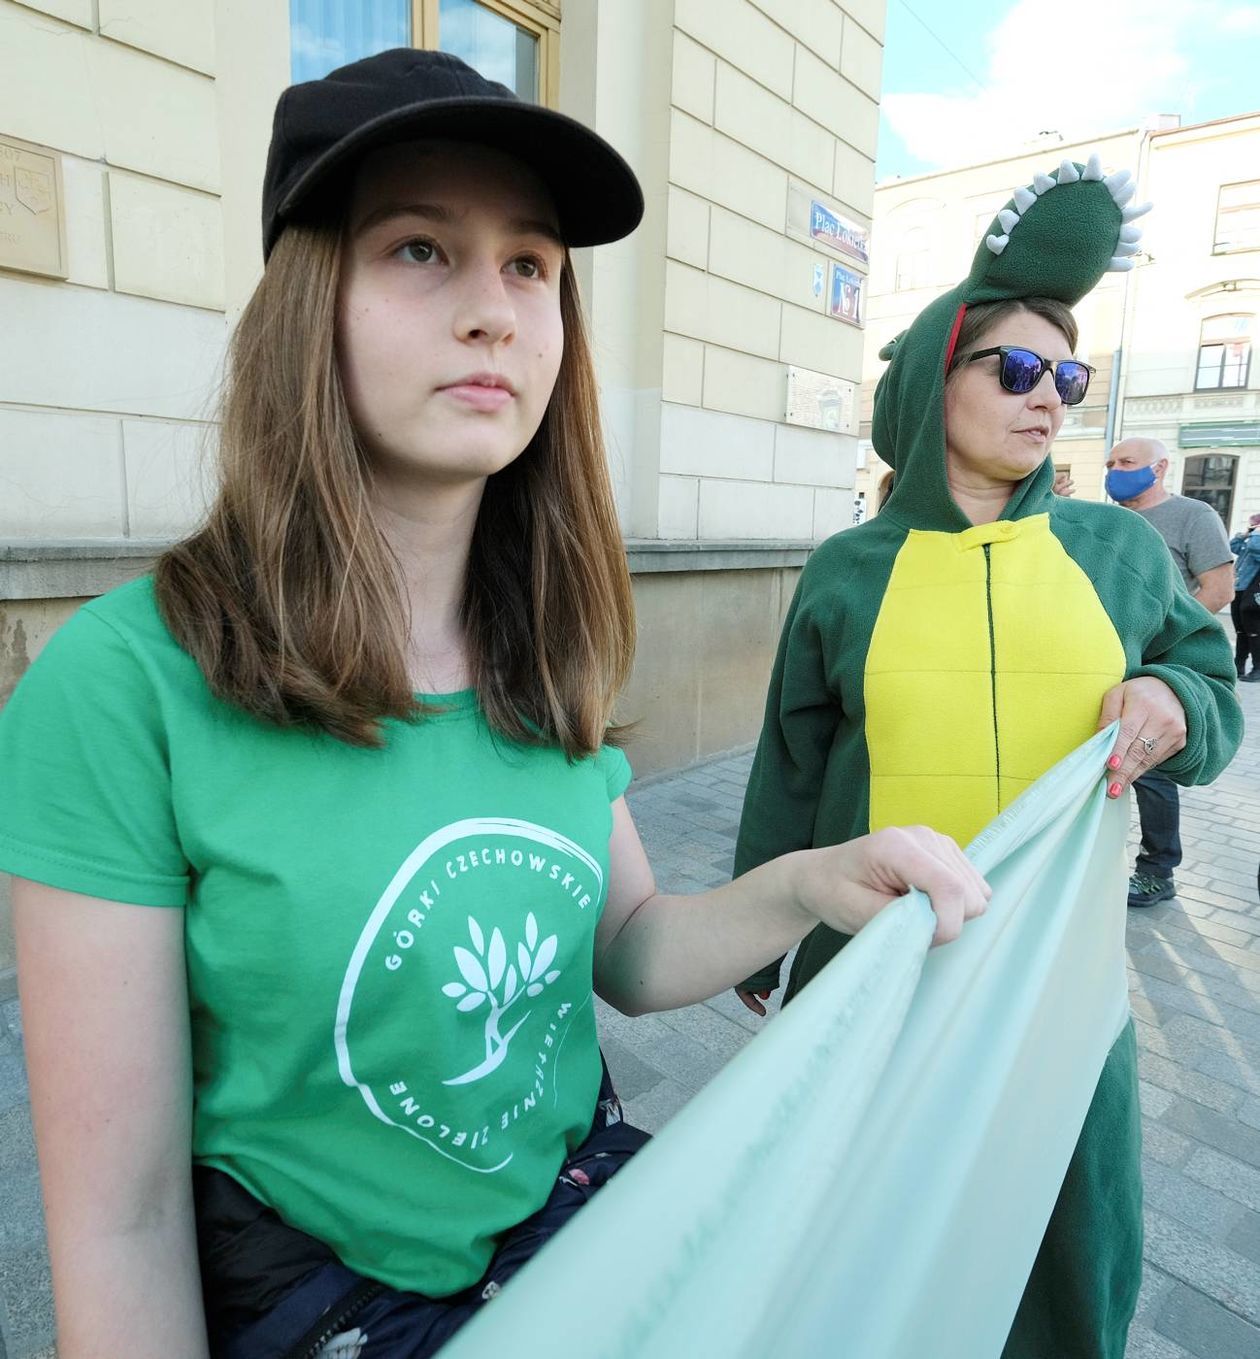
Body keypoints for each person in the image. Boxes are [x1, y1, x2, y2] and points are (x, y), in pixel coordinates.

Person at [0, 51, 990, 1359]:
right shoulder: (125, 684)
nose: (496, 310)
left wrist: (812, 883)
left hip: (586, 1236)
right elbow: (122, 1226)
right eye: (420, 249)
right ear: (311, 301)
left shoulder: (550, 642)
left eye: (531, 264)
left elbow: (628, 945)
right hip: (326, 1302)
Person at [734, 155, 1241, 1359]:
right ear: (928, 384)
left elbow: (1213, 688)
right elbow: (792, 766)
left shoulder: (1116, 549)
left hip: (1065, 998)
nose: (1047, 396)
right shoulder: (844, 572)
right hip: (882, 982)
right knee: (870, 1254)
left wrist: (1174, 696)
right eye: (1014, 368)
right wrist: (764, 944)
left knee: (1070, 1266)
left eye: (1066, 375)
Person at [1103, 436, 1235, 907]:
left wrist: (1166, 643)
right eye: (1112, 462)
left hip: (1157, 669)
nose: (1116, 469)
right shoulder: (1109, 520)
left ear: (1159, 468)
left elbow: (1219, 589)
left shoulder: (1192, 516)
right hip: (1110, 666)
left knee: (1149, 769)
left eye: (1128, 462)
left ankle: (1158, 869)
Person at [1230, 513, 1260, 680]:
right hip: (1240, 588)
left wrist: (1256, 532)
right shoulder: (1250, 542)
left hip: (1253, 592)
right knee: (1241, 630)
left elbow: (1256, 547)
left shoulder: (1256, 543)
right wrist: (1245, 534)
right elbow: (1233, 546)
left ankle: (1258, 668)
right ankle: (1238, 666)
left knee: (1254, 630)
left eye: (1253, 525)